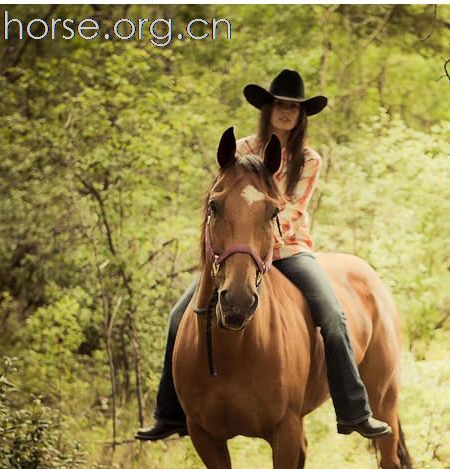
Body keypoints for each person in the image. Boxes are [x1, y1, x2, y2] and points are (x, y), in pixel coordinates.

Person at [136, 69, 392, 441]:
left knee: (334, 317)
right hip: (239, 251)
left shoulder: (309, 160)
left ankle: (354, 410)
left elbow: (290, 209)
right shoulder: (241, 150)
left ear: (301, 114)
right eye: (280, 105)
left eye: (293, 107)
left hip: (289, 250)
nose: (286, 112)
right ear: (268, 108)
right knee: (180, 316)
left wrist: (258, 229)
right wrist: (241, 240)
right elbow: (226, 200)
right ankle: (170, 413)